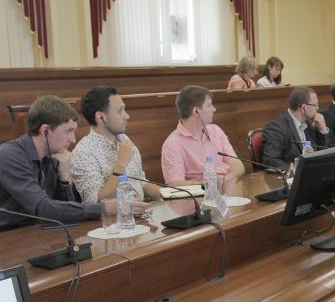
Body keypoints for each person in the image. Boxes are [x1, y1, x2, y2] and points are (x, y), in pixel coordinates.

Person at [0, 96, 145, 229]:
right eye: (68, 131)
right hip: (8, 237)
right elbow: (43, 208)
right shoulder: (9, 156)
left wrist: (64, 179)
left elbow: (66, 210)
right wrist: (105, 208)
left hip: (39, 234)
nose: (73, 139)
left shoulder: (53, 155)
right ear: (45, 131)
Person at [71, 86, 161, 204]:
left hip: (142, 211)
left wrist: (171, 194)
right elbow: (96, 203)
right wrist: (120, 164)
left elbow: (140, 182)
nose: (127, 116)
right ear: (100, 117)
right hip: (117, 216)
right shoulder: (83, 153)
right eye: (120, 111)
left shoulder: (124, 139)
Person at [161, 85, 244, 186]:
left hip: (226, 188)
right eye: (209, 105)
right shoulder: (172, 144)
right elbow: (174, 183)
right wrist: (208, 185)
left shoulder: (215, 131)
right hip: (201, 193)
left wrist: (224, 180)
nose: (214, 109)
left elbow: (237, 164)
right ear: (196, 111)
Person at [261, 86, 332, 169]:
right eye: (315, 105)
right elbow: (270, 161)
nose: (317, 108)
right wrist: (295, 169)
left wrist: (323, 130)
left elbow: (322, 153)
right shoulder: (276, 128)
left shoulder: (310, 123)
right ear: (303, 108)